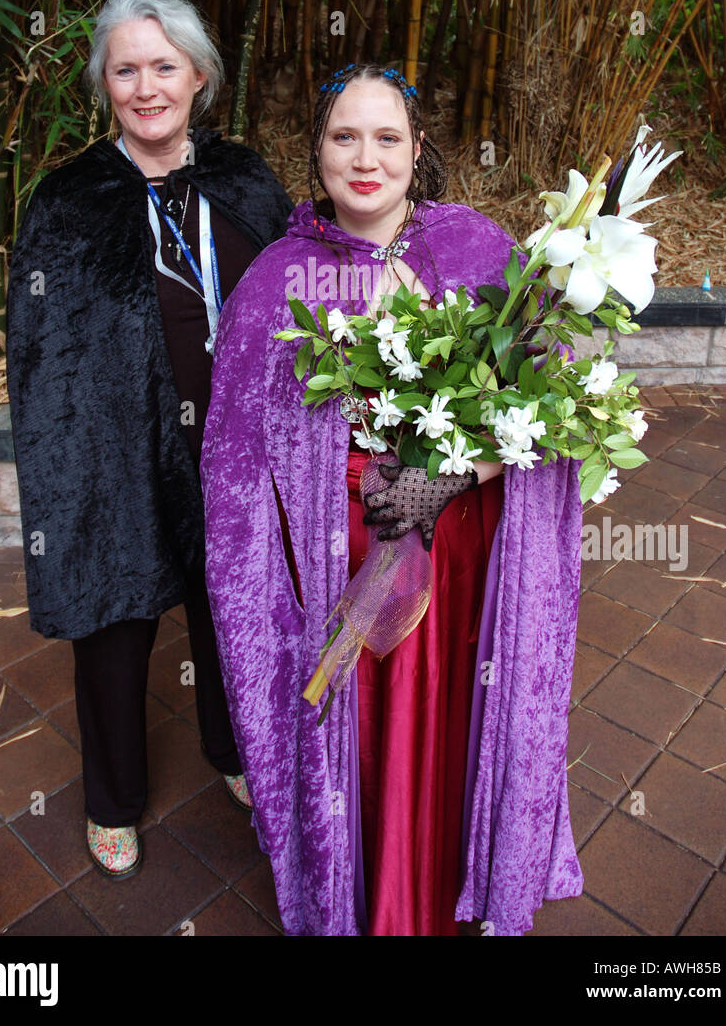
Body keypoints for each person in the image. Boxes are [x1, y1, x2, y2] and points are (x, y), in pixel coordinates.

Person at [201, 62, 584, 936]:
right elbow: (233, 464)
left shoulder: (479, 251)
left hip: (461, 546)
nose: (365, 159)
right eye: (344, 137)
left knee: (455, 706)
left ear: (419, 150)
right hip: (344, 552)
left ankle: (457, 879)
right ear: (318, 151)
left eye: (387, 138)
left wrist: (454, 476)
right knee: (361, 729)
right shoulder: (278, 279)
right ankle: (370, 897)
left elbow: (548, 407)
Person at [6, 0, 292, 878]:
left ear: (198, 75)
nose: (145, 86)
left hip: (233, 448)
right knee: (116, 620)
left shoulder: (245, 182)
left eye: (163, 66)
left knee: (232, 607)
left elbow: (298, 314)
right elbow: (39, 353)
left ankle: (237, 750)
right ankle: (112, 799)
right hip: (115, 451)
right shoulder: (67, 202)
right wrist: (69, 467)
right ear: (104, 85)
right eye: (125, 69)